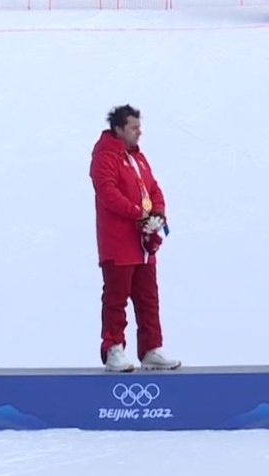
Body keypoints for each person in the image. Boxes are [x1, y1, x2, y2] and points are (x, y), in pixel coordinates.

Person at [89, 104, 180, 372]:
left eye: (139, 127)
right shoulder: (105, 157)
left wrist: (158, 215)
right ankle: (114, 348)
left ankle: (151, 349)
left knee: (148, 297)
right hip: (118, 243)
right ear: (119, 129)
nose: (139, 133)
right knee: (116, 298)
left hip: (143, 245)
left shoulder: (138, 159)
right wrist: (138, 213)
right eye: (134, 128)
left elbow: (154, 188)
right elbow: (108, 193)